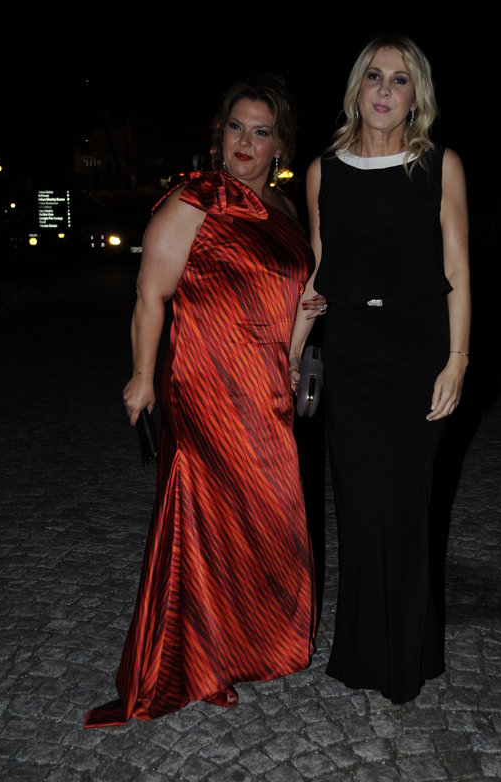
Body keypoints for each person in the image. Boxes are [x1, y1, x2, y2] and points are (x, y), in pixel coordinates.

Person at [84, 74, 324, 728]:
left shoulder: (285, 210)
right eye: (235, 127)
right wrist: (142, 375)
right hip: (206, 380)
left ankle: (251, 642)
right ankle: (199, 660)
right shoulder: (195, 199)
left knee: (267, 510)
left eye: (260, 132)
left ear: (280, 145)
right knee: (208, 516)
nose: (245, 142)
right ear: (219, 135)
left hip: (266, 382)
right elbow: (150, 294)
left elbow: (293, 297)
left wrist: (300, 332)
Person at [288, 34, 471, 704]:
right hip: (352, 354)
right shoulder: (323, 171)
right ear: (356, 89)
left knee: (407, 504)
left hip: (418, 351)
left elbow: (457, 269)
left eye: (399, 78)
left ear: (416, 94)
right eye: (374, 76)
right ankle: (364, 651)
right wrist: (290, 354)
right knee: (361, 508)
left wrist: (457, 359)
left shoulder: (439, 166)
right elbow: (318, 273)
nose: (385, 90)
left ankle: (406, 657)